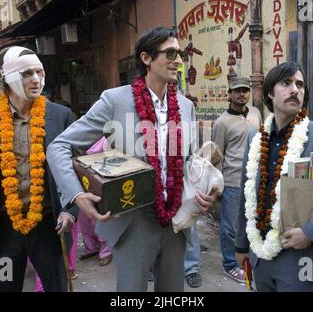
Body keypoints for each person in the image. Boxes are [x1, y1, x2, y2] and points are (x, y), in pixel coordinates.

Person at [47, 26, 218, 291]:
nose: (178, 60)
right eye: (170, 52)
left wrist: (202, 191)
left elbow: (188, 162)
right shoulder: (115, 101)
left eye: (180, 53)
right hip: (132, 222)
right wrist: (76, 194)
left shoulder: (186, 106)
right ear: (146, 58)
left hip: (177, 222)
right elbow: (59, 146)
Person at [235, 61, 313, 292]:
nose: (295, 90)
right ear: (270, 93)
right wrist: (242, 245)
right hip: (259, 252)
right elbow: (246, 194)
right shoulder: (256, 137)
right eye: (286, 83)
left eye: (300, 85)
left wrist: (311, 232)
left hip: (300, 254)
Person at [0, 46, 79, 292]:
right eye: (27, 73)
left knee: (56, 287)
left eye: (39, 72)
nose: (36, 79)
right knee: (5, 286)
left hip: (49, 227)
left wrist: (70, 210)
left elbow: (75, 170)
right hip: (6, 231)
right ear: (9, 78)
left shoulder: (61, 116)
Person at [212, 77, 262, 284]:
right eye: (237, 91)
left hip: (255, 179)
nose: (242, 94)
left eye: (245, 90)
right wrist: (218, 186)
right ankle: (230, 265)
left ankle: (249, 260)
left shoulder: (255, 114)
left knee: (252, 222)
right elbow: (216, 156)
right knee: (230, 226)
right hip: (232, 181)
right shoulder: (222, 122)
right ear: (229, 94)